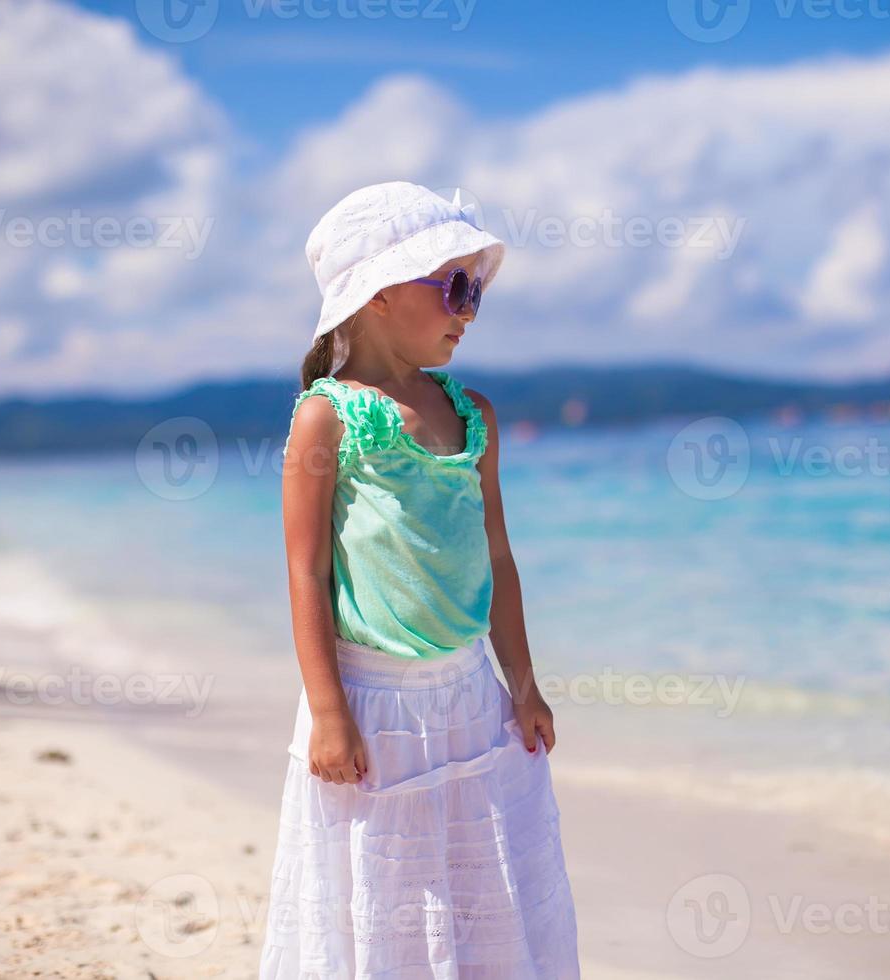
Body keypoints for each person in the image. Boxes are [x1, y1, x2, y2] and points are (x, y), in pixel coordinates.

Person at [258, 181, 581, 979]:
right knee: (385, 897)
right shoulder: (327, 416)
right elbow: (304, 570)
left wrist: (525, 684)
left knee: (481, 891)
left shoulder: (472, 413)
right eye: (456, 288)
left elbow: (498, 556)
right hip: (375, 705)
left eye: (477, 291)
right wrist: (330, 715)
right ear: (378, 295)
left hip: (471, 696)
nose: (469, 311)